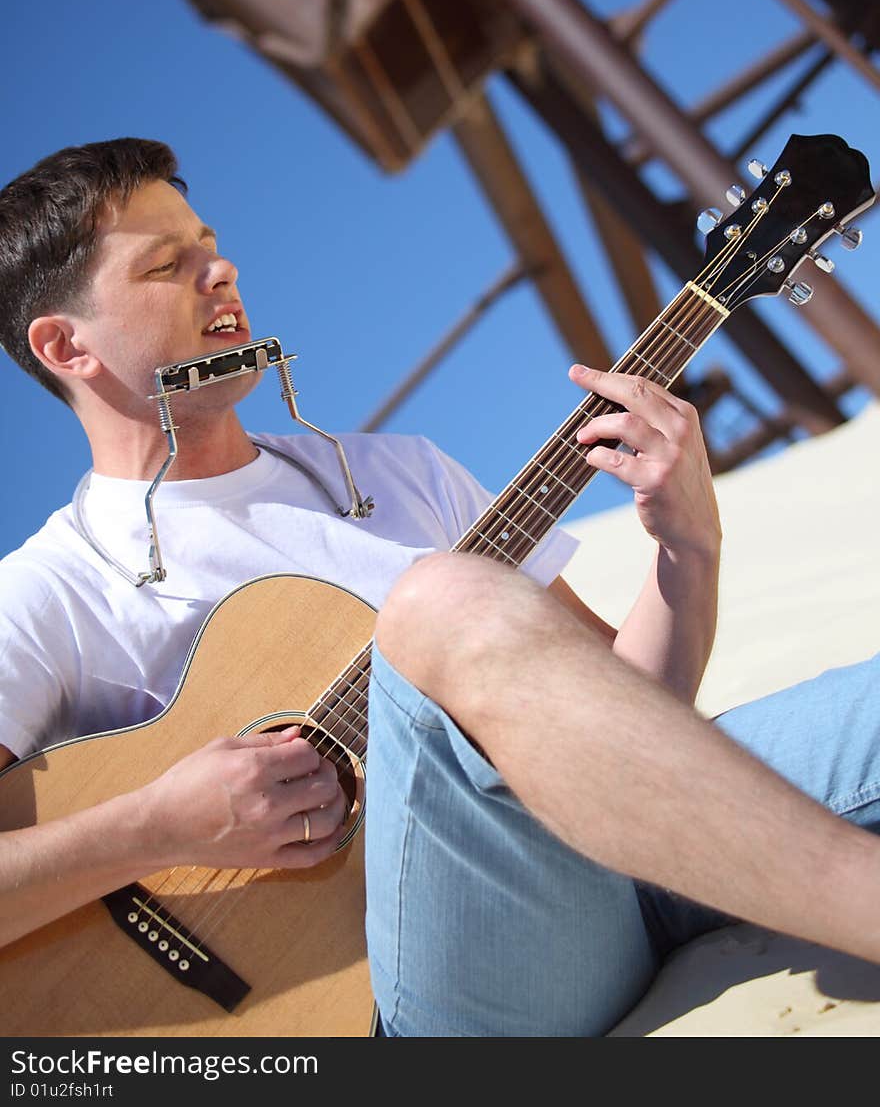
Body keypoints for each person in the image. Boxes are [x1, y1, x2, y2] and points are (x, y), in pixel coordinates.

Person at [0, 138, 878, 1039]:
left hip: (618, 862)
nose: (219, 270)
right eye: (166, 265)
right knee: (435, 601)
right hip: (420, 986)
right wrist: (158, 825)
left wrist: (688, 546)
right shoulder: (48, 593)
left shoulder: (403, 472)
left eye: (210, 245)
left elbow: (640, 717)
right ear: (66, 344)